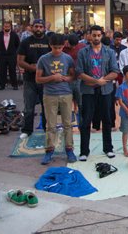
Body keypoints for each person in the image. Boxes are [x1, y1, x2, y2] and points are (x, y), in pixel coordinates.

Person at [76, 25, 120, 161]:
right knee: (86, 121)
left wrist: (103, 80)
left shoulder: (109, 52)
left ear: (102, 36)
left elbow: (115, 71)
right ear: (89, 36)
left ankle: (108, 148)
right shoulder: (83, 52)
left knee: (107, 119)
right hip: (88, 91)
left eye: (98, 35)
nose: (96, 38)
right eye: (93, 35)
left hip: (105, 90)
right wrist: (95, 81)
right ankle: (84, 151)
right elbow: (79, 72)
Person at [35, 34, 77, 165]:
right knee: (50, 125)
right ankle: (49, 150)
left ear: (64, 45)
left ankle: (69, 149)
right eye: (55, 48)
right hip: (50, 94)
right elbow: (38, 79)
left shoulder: (68, 58)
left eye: (60, 47)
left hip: (65, 93)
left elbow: (72, 76)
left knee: (68, 124)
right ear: (50, 45)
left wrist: (65, 78)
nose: (57, 50)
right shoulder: (43, 59)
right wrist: (52, 78)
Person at [17, 19, 51, 139]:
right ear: (32, 28)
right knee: (29, 107)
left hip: (45, 80)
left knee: (46, 106)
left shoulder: (49, 41)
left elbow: (54, 58)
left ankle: (48, 129)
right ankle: (27, 130)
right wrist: (33, 68)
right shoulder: (25, 42)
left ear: (44, 28)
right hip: (29, 80)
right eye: (36, 26)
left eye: (40, 27)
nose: (38, 29)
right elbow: (20, 61)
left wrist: (43, 69)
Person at [0, 21, 20, 91]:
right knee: (2, 71)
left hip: (12, 56)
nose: (6, 28)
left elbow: (18, 45)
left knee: (12, 70)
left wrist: (15, 53)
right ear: (3, 27)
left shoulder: (14, 35)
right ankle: (2, 85)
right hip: (2, 56)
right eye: (5, 26)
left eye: (8, 26)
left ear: (10, 27)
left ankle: (14, 85)